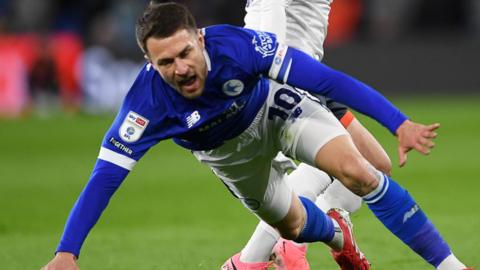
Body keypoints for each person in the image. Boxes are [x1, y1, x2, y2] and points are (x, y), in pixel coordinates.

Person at [41, 2, 472, 270]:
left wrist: (398, 122)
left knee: (363, 171)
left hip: (274, 111)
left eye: (186, 53)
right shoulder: (144, 105)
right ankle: (337, 235)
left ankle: (450, 265)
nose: (181, 68)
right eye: (166, 62)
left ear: (201, 39)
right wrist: (68, 251)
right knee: (297, 225)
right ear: (150, 63)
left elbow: (326, 79)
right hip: (230, 158)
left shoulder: (240, 47)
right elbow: (104, 178)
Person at [222, 0, 388, 269]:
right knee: (341, 162)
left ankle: (328, 224)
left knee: (376, 164)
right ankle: (263, 254)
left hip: (308, 71)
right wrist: (269, 65)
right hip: (288, 73)